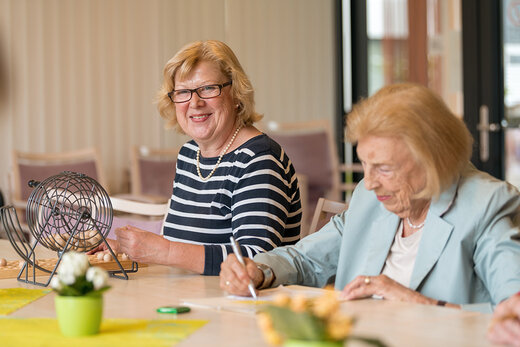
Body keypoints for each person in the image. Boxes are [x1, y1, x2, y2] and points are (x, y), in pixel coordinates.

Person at [220, 83, 520, 309]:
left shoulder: (486, 205)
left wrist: (419, 303)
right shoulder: (371, 199)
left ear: (432, 160)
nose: (370, 182)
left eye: (384, 168)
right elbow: (304, 259)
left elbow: (513, 313)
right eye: (365, 164)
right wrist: (259, 270)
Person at [91, 40, 302, 275]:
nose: (195, 103)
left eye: (208, 88)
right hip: (190, 297)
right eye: (183, 92)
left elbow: (256, 260)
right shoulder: (190, 154)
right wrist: (125, 248)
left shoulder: (259, 159)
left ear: (235, 94)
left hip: (238, 306)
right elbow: (183, 244)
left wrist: (164, 251)